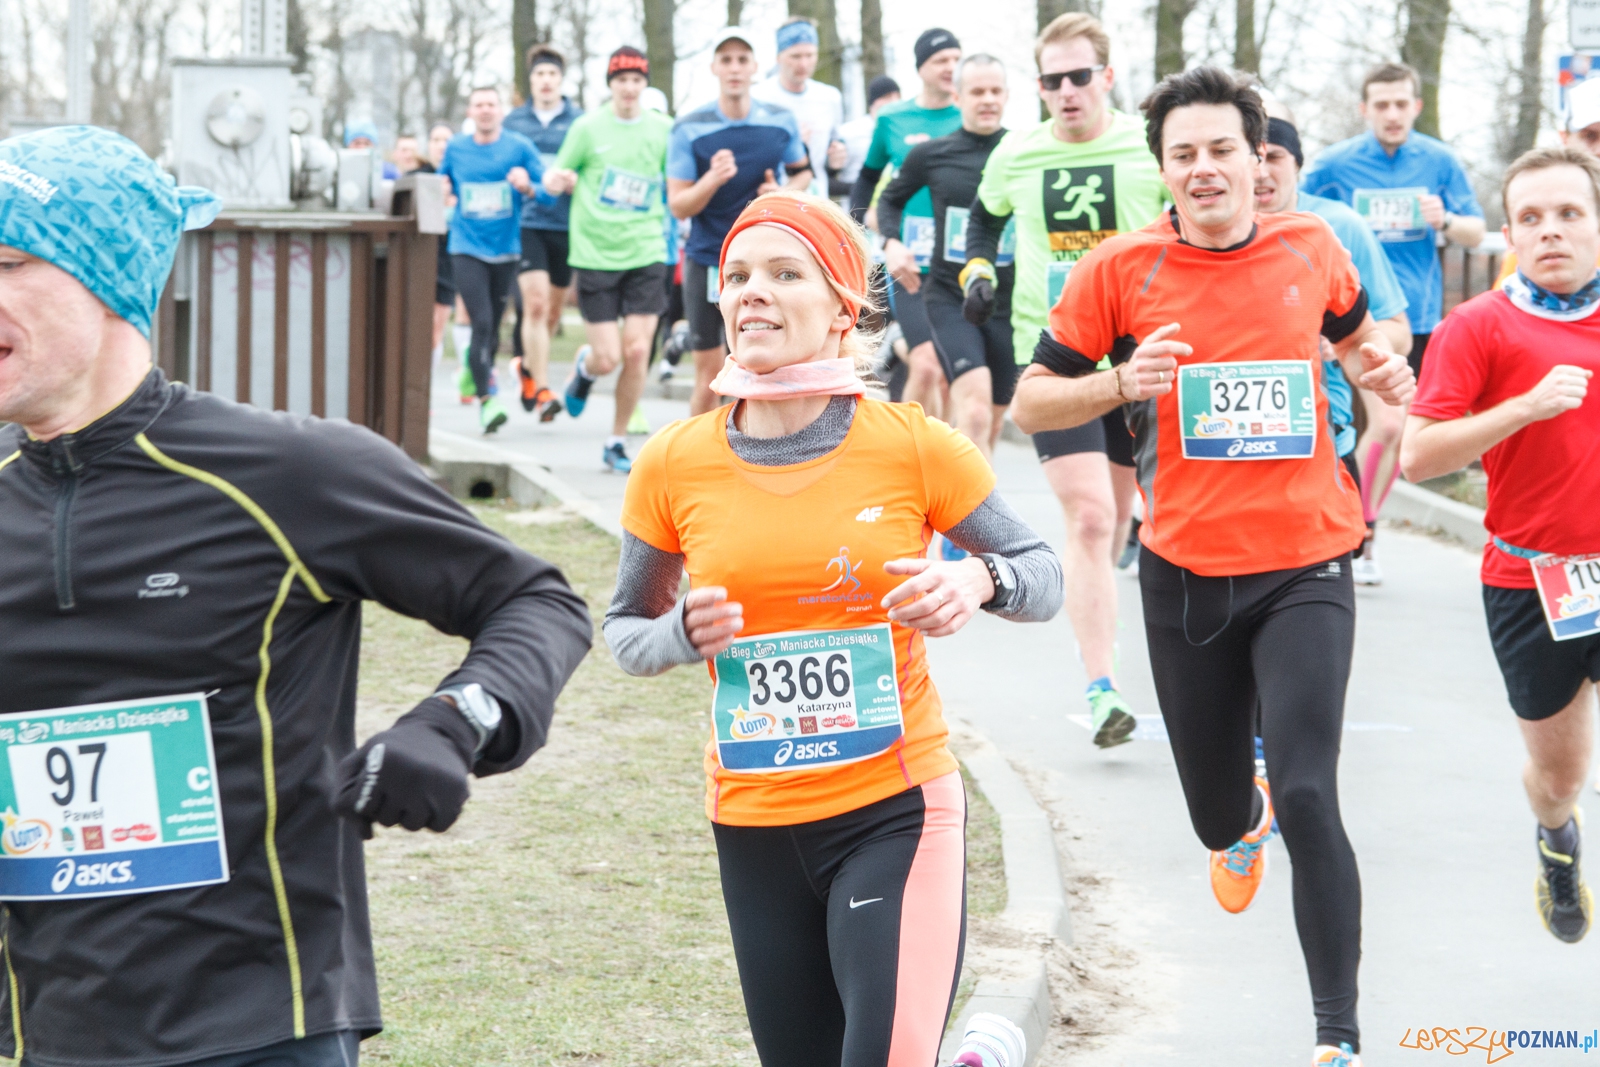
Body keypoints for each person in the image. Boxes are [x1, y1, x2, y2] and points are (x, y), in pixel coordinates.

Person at [0, 125, 592, 1067]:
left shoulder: (289, 472)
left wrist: (455, 719)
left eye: (8, 260)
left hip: (265, 1023)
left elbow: (535, 599)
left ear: (108, 276)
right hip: (58, 1036)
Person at [1010, 69, 1415, 1066]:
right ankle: (1241, 816)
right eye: (1182, 154)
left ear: (1258, 159)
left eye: (1222, 150)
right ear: (1164, 170)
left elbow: (1363, 343)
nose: (1204, 169)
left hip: (1306, 562)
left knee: (1313, 791)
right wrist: (1117, 379)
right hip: (1185, 573)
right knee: (1214, 812)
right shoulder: (1118, 270)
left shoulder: (1311, 250)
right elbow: (1028, 402)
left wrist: (1386, 372)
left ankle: (1337, 1034)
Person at [605, 189, 1059, 1067]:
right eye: (736, 276)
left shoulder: (913, 445)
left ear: (843, 307)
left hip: (894, 809)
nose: (752, 293)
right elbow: (625, 627)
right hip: (753, 821)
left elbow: (1040, 576)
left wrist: (977, 577)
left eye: (783, 273)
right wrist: (679, 636)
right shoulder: (674, 460)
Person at [1401, 145, 1600, 944]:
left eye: (1569, 213)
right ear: (1511, 230)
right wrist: (1522, 407)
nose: (1550, 231)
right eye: (1531, 218)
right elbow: (1418, 456)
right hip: (1534, 579)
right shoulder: (1476, 327)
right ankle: (1557, 840)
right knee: (1561, 774)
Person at [962, 13, 1166, 748]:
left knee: (1116, 523)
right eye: (1052, 80)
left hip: (1143, 361)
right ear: (1039, 87)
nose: (1067, 91)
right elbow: (982, 224)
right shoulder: (1018, 153)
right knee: (1086, 518)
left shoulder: (1148, 148)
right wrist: (980, 269)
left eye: (1081, 76)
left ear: (1107, 78)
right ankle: (1102, 685)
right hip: (1056, 358)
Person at [1302, 62, 1485, 578]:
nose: (1392, 114)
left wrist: (1445, 220)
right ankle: (1341, 533)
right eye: (1381, 104)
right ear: (1364, 110)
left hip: (1412, 316)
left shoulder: (1439, 160)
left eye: (1401, 103)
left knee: (1391, 427)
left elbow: (1476, 228)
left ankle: (1363, 531)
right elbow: (1292, 203)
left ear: (1416, 107)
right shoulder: (1335, 164)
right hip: (1344, 318)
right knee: (1355, 423)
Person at [1253, 108, 1413, 586]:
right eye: (1251, 157)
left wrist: (1341, 338)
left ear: (1298, 163)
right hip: (1235, 439)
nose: (1262, 171)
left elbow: (1396, 329)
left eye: (1275, 157)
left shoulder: (1337, 226)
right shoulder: (1207, 230)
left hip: (1324, 423)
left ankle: (1364, 529)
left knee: (1391, 419)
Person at [877, 54, 1014, 476]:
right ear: (958, 96)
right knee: (972, 412)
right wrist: (890, 242)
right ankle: (974, 529)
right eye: (977, 91)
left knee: (990, 421)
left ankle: (959, 499)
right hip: (949, 297)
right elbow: (889, 199)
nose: (987, 100)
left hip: (1008, 304)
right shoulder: (932, 154)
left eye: (995, 91)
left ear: (1007, 95)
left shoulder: (1023, 152)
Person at [667, 27, 813, 416]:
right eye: (726, 60)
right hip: (708, 259)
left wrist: (778, 191)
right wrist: (712, 179)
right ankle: (692, 467)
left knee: (760, 370)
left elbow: (804, 173)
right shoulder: (689, 128)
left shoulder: (781, 121)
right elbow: (679, 206)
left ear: (755, 67)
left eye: (742, 60)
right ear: (714, 67)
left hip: (763, 265)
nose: (734, 68)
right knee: (711, 376)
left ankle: (753, 460)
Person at [544, 46, 672, 473]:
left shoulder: (663, 130)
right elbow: (554, 176)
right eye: (622, 81)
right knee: (608, 358)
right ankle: (585, 367)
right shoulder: (587, 127)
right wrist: (557, 180)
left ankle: (615, 441)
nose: (630, 89)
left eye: (637, 80)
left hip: (646, 250)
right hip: (596, 253)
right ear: (611, 85)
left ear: (644, 83)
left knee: (637, 352)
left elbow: (678, 180)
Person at [849, 29, 963, 419]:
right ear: (921, 69)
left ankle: (947, 462)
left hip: (958, 261)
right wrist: (863, 230)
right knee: (928, 363)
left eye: (955, 59)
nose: (951, 67)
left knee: (952, 374)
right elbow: (866, 178)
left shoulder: (971, 117)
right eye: (940, 60)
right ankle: (899, 452)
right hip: (907, 260)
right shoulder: (894, 119)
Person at [437, 86, 546, 434]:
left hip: (506, 250)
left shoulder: (518, 147)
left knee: (494, 325)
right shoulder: (456, 147)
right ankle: (487, 401)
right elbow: (442, 183)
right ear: (470, 112)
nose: (485, 110)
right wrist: (443, 191)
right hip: (466, 247)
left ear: (500, 111)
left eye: (491, 104)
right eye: (478, 105)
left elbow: (547, 192)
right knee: (481, 322)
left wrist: (528, 185)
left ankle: (475, 369)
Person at [504, 45, 584, 422]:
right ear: (531, 80)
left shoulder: (580, 121)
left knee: (552, 312)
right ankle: (542, 388)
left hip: (568, 225)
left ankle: (527, 371)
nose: (546, 81)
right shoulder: (514, 123)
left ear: (560, 80)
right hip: (528, 223)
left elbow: (593, 166)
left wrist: (576, 181)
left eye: (552, 75)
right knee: (534, 306)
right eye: (540, 75)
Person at [1493, 76, 1600, 286]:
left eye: (1569, 214)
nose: (1599, 150)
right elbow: (1507, 307)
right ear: (1565, 138)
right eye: (1590, 136)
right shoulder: (1541, 216)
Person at [752, 17, 844, 200]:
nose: (803, 64)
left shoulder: (830, 97)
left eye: (810, 55)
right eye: (795, 56)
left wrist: (836, 160)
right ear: (779, 58)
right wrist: (790, 143)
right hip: (773, 199)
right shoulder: (758, 97)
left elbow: (832, 151)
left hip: (817, 201)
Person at [836, 75, 901, 191]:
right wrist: (861, 189)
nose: (894, 102)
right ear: (873, 102)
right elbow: (828, 177)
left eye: (898, 97)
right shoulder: (848, 132)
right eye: (887, 97)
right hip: (858, 205)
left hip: (895, 205)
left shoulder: (902, 132)